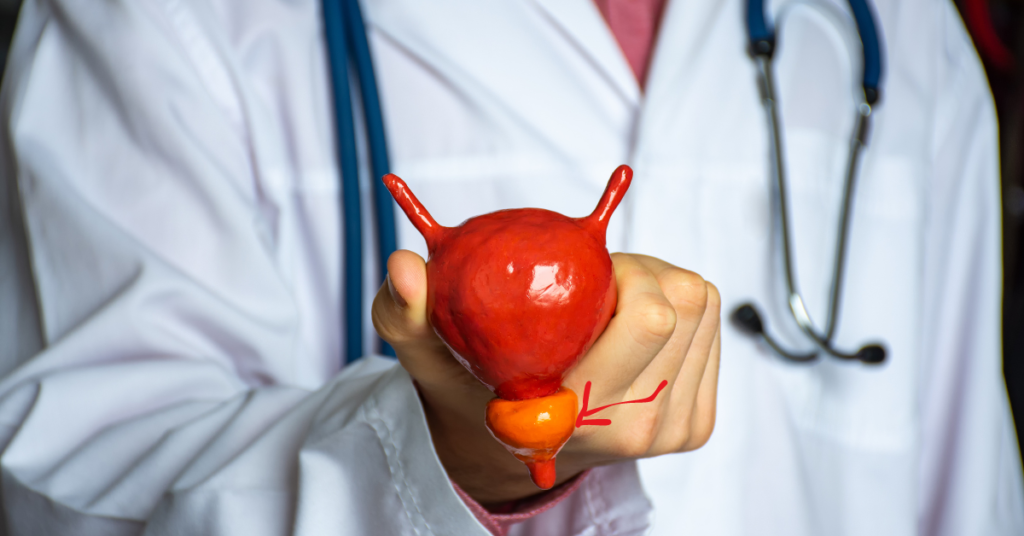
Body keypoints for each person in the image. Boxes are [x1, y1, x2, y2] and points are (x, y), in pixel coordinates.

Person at [0, 1, 1019, 536]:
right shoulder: (148, 16)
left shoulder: (896, 28)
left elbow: (967, 488)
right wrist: (434, 456)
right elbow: (74, 484)